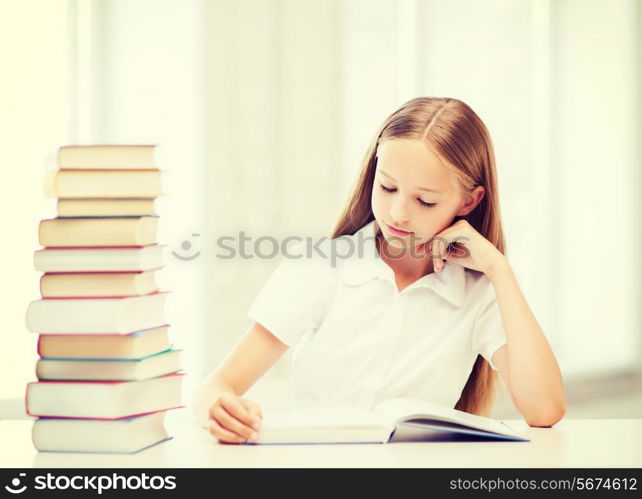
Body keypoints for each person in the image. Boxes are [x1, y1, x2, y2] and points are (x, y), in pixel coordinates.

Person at [191, 97, 566, 444]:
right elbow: (219, 384)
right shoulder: (322, 266)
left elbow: (544, 410)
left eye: (424, 200)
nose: (398, 212)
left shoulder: (478, 291)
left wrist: (499, 270)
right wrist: (217, 407)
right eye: (387, 187)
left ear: (470, 200)